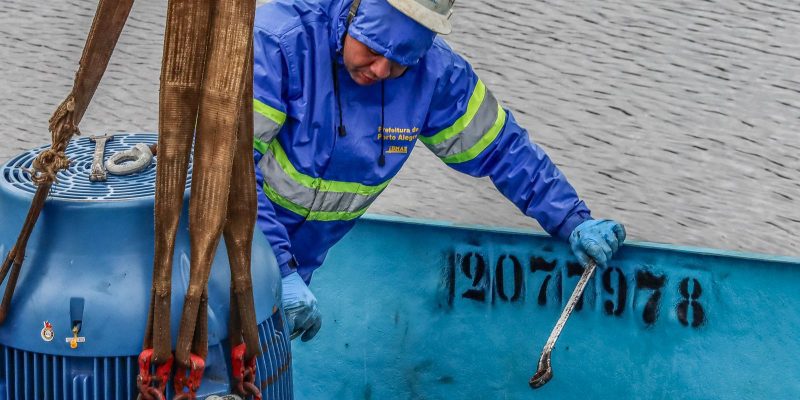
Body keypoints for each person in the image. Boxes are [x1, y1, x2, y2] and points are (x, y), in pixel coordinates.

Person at [252, 0, 626, 342]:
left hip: (291, 277)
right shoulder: (278, 42)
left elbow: (503, 149)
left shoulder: (434, 75)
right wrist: (276, 270)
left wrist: (572, 219)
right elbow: (226, 172)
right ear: (353, 11)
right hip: (219, 254)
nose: (381, 69)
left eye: (400, 60)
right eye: (372, 48)